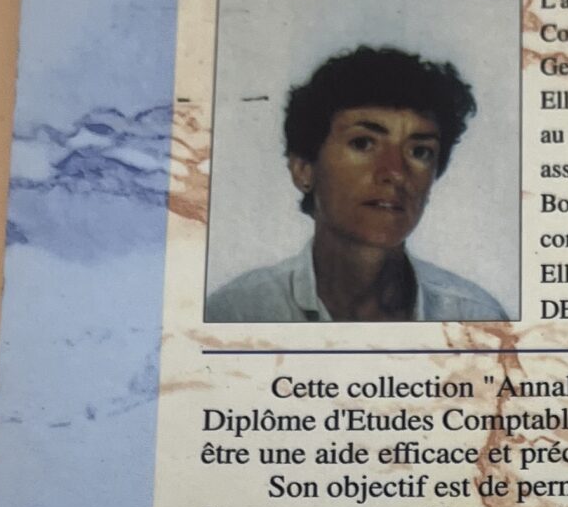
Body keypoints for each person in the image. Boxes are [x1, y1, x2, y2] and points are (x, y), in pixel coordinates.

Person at [206, 44, 508, 323]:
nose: (396, 172)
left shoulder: (476, 317)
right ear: (304, 170)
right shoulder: (237, 313)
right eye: (363, 143)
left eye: (419, 152)